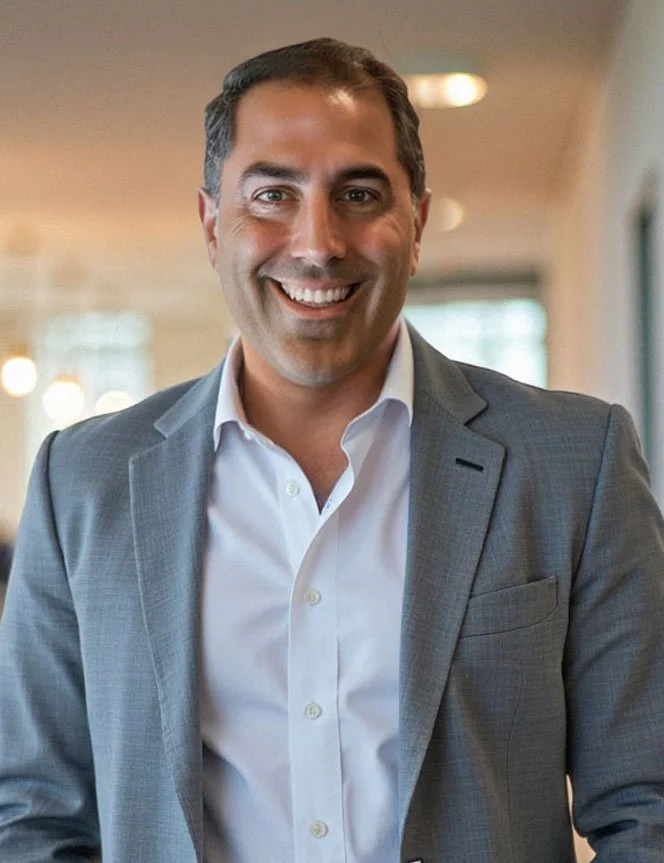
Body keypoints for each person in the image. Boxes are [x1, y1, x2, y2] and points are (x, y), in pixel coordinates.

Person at [0, 37, 663, 863]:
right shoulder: (82, 484)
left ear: (416, 223)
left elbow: (649, 804)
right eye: (273, 193)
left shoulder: (575, 462)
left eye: (359, 192)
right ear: (214, 225)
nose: (317, 242)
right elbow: (32, 815)